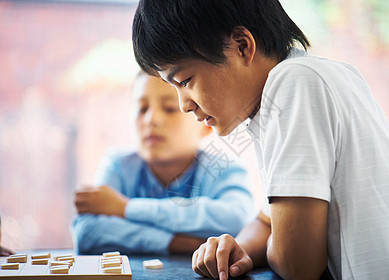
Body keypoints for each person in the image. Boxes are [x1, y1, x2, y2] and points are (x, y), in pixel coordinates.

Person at [131, 0, 389, 280]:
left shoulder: (293, 85)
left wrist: (281, 242)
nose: (183, 104)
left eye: (184, 81)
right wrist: (239, 247)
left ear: (242, 46)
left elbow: (299, 265)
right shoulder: (312, 77)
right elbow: (268, 221)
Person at [71, 71, 254, 255]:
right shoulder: (118, 165)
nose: (151, 120)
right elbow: (87, 232)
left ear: (205, 123)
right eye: (142, 109)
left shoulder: (224, 167)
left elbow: (236, 220)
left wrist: (125, 208)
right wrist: (178, 243)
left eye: (169, 108)